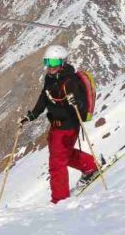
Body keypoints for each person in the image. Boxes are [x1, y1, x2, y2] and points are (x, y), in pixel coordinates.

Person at [20, 45, 98, 204]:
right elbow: (44, 98)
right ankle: (91, 166)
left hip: (67, 127)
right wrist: (32, 116)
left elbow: (81, 107)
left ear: (62, 62)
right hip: (56, 127)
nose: (50, 66)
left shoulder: (70, 81)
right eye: (48, 61)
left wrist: (76, 102)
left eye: (54, 62)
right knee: (64, 155)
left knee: (56, 164)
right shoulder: (50, 79)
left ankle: (59, 199)